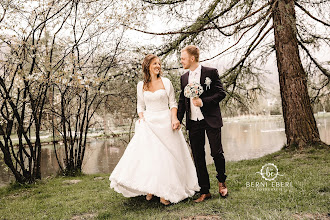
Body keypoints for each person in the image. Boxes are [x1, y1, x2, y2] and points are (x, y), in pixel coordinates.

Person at [109, 54, 200, 205]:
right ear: (148, 66)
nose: (158, 66)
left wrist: (174, 118)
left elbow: (173, 103)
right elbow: (140, 105)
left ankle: (165, 193)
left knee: (167, 158)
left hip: (165, 122)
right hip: (149, 123)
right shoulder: (141, 85)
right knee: (152, 158)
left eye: (159, 63)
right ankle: (151, 188)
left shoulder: (166, 82)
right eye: (155, 64)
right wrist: (141, 117)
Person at [177, 45, 228, 203]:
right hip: (193, 122)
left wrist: (203, 102)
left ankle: (221, 182)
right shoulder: (183, 78)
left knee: (216, 153)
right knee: (198, 157)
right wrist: (177, 120)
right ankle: (205, 191)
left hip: (211, 119)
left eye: (183, 58)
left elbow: (221, 93)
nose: (181, 61)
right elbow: (181, 101)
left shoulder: (210, 73)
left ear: (192, 58)